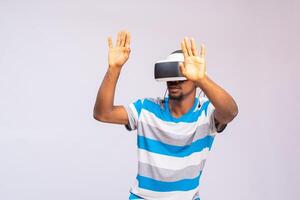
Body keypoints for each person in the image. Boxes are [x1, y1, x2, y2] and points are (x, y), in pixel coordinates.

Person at [93, 30, 239, 200]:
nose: (174, 80)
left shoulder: (205, 113)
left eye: (182, 75)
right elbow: (103, 114)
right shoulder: (146, 109)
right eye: (170, 76)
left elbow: (231, 112)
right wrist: (114, 68)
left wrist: (202, 79)